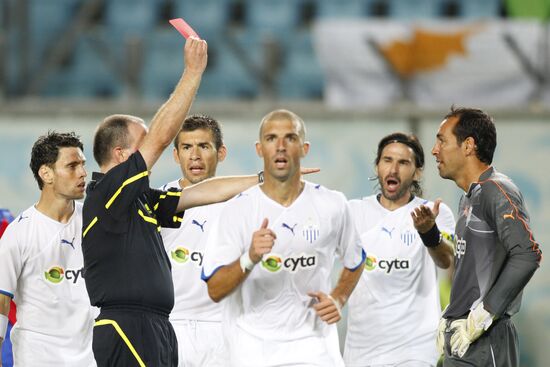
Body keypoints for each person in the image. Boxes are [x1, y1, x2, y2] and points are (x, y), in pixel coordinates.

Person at [82, 37, 263, 367]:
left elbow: (199, 193)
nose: (152, 147)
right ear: (122, 156)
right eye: (143, 141)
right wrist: (193, 73)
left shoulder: (136, 198)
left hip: (156, 325)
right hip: (127, 325)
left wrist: (265, 180)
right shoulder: (108, 193)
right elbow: (163, 138)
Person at [202, 109, 365, 367]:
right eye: (271, 138)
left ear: (304, 148)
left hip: (315, 349)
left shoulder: (333, 204)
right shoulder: (237, 210)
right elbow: (215, 289)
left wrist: (339, 297)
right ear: (259, 149)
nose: (280, 147)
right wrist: (250, 257)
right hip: (254, 351)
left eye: (290, 138)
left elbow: (356, 259)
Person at [430, 107, 542, 366]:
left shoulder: (496, 189)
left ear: (468, 145)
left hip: (485, 341)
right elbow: (473, 270)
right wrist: (451, 314)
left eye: (442, 140)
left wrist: (485, 313)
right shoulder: (470, 197)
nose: (435, 150)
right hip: (463, 340)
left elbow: (527, 254)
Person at [343, 132, 456, 367]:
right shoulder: (352, 212)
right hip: (361, 351)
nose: (393, 169)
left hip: (415, 350)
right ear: (377, 166)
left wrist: (429, 233)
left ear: (417, 172)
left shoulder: (434, 213)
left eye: (403, 162)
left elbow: (446, 261)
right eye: (387, 160)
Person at [0, 132, 96, 366]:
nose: (83, 173)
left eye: (83, 165)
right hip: (38, 357)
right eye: (72, 166)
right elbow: (1, 302)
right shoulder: (19, 232)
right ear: (46, 173)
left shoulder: (96, 221)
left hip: (90, 357)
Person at [160, 114, 227, 366]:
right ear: (176, 155)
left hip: (223, 328)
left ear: (221, 153)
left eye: (204, 146)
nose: (195, 155)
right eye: (187, 147)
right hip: (170, 326)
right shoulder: (156, 204)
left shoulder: (241, 206)